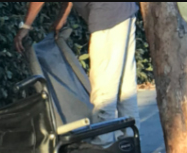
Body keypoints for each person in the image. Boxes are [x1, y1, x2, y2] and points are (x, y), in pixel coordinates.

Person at [15, 2, 141, 143]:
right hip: (124, 11)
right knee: (126, 89)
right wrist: (62, 18)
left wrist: (25, 26)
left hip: (108, 17)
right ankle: (132, 146)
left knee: (104, 95)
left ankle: (104, 147)